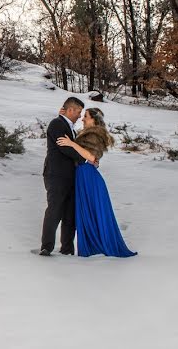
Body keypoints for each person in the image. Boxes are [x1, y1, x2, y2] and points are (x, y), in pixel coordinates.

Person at [56, 107, 136, 257]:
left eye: (85, 116)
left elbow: (91, 157)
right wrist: (63, 116)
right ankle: (92, 245)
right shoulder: (88, 133)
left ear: (93, 119)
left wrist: (71, 144)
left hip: (88, 175)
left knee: (93, 211)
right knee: (88, 211)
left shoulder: (93, 135)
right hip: (83, 175)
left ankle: (97, 246)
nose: (82, 118)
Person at [38, 97, 87, 256]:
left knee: (69, 214)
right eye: (79, 112)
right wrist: (83, 157)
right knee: (55, 210)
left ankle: (67, 249)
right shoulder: (57, 124)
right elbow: (64, 148)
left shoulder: (71, 128)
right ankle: (46, 247)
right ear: (71, 110)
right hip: (56, 175)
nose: (80, 116)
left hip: (72, 177)